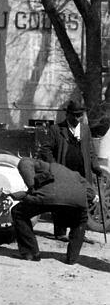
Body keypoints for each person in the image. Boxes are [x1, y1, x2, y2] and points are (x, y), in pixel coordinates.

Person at [36, 98, 100, 240]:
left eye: (80, 115)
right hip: (64, 170)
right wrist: (54, 166)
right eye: (75, 115)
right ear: (68, 114)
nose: (78, 118)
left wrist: (95, 166)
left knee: (81, 201)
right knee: (61, 200)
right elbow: (46, 149)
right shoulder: (56, 129)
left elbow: (91, 150)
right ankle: (60, 232)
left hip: (82, 172)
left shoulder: (85, 129)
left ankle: (78, 233)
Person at [8, 158, 90, 264]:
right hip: (77, 200)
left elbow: (25, 163)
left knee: (18, 212)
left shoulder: (44, 165)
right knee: (81, 220)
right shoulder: (75, 174)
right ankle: (72, 258)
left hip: (49, 196)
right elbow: (91, 192)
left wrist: (32, 188)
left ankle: (31, 253)